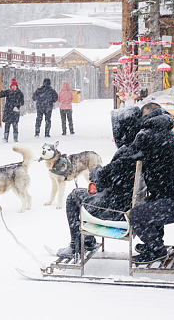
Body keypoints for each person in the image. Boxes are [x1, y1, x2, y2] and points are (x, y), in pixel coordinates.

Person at [56, 106, 143, 259]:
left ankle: (77, 244)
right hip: (126, 203)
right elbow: (113, 175)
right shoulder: (139, 148)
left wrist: (97, 172)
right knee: (82, 194)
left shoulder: (127, 152)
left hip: (117, 209)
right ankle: (86, 240)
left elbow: (105, 179)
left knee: (74, 196)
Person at [127, 102, 174, 264]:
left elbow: (129, 156)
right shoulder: (163, 132)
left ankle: (157, 250)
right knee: (151, 203)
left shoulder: (153, 135)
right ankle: (153, 243)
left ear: (148, 117)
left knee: (136, 215)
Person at [0, 77, 24, 143]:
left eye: (14, 86)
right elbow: (0, 95)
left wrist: (17, 105)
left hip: (15, 112)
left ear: (17, 86)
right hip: (8, 111)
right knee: (7, 125)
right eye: (12, 86)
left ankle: (15, 138)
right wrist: (4, 92)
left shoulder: (20, 93)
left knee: (15, 125)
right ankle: (5, 138)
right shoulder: (9, 92)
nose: (13, 87)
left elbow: (22, 102)